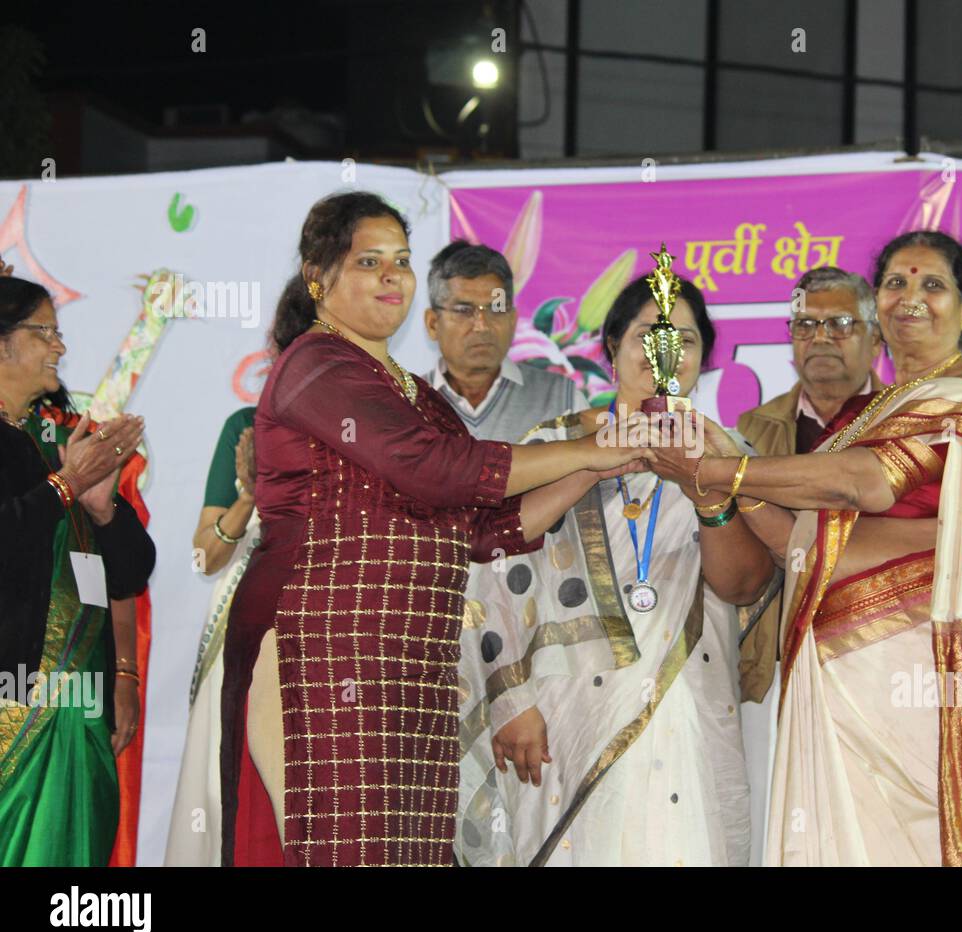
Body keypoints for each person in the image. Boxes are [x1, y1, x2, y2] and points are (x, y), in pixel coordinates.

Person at [220, 191, 648, 867]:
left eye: (400, 260)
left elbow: (486, 529)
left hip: (407, 657)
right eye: (369, 261)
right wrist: (586, 448)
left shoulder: (408, 393)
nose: (392, 275)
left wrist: (598, 469)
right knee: (343, 851)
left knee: (408, 853)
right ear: (318, 277)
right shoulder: (314, 365)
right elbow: (435, 470)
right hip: (321, 645)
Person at [653, 230, 962, 866]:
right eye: (896, 283)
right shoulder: (866, 419)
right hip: (836, 680)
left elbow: (864, 484)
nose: (911, 298)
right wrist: (721, 464)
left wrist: (718, 473)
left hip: (916, 679)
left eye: (934, 285)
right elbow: (801, 542)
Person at [456, 273, 775, 866]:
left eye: (684, 338)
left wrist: (708, 486)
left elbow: (744, 586)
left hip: (685, 705)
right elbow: (490, 567)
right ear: (609, 350)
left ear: (704, 357)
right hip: (556, 718)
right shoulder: (554, 443)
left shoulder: (730, 457)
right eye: (648, 335)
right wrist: (509, 701)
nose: (664, 354)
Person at [0, 273, 156, 865]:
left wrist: (102, 505)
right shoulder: (47, 463)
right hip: (15, 703)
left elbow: (132, 572)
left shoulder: (52, 440)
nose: (60, 347)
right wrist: (66, 485)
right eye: (45, 332)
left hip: (79, 701)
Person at [736, 266, 884, 704]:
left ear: (875, 340)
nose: (820, 337)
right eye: (805, 324)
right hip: (780, 661)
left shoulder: (906, 426)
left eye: (840, 323)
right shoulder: (753, 430)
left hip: (877, 652)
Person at [164, 406, 257, 866]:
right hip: (245, 630)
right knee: (226, 792)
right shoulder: (249, 426)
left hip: (334, 631)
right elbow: (205, 558)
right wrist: (251, 496)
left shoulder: (367, 417)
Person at [424, 240, 587, 442]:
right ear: (433, 324)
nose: (482, 325)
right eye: (464, 311)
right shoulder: (407, 404)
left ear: (512, 319)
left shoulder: (562, 398)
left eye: (496, 309)